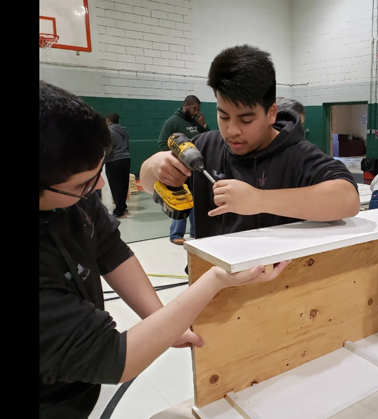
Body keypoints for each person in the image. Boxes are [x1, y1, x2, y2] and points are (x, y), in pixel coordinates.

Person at [39, 80, 291, 419]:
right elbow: (115, 357)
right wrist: (216, 278)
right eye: (83, 184)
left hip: (75, 389)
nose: (99, 186)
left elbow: (110, 250)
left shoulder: (74, 198)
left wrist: (161, 320)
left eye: (98, 171)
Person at [139, 44, 361, 241]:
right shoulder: (204, 147)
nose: (232, 130)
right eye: (223, 117)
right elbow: (148, 184)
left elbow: (347, 199)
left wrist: (259, 200)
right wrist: (155, 166)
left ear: (271, 113)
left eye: (246, 119)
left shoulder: (297, 154)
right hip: (209, 278)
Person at [158, 95, 210, 245]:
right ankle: (176, 234)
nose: (196, 112)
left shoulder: (196, 122)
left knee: (197, 200)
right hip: (180, 170)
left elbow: (207, 138)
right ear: (186, 105)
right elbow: (161, 143)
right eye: (194, 109)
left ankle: (195, 232)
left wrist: (203, 125)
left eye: (198, 110)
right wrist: (178, 156)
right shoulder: (172, 122)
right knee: (182, 200)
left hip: (196, 169)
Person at [105, 112, 131, 218]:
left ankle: (119, 210)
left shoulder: (109, 131)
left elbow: (109, 147)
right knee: (124, 185)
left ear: (108, 120)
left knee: (115, 185)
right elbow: (128, 145)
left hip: (114, 160)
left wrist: (105, 156)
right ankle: (123, 207)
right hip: (126, 158)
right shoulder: (124, 131)